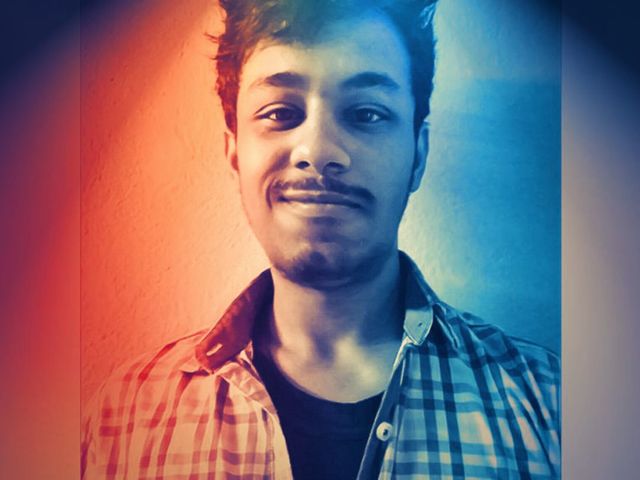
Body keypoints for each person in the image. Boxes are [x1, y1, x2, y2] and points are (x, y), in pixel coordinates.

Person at [81, 0, 560, 478]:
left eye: (367, 113)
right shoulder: (124, 417)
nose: (318, 150)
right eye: (280, 112)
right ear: (235, 154)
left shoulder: (552, 408)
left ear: (418, 154)